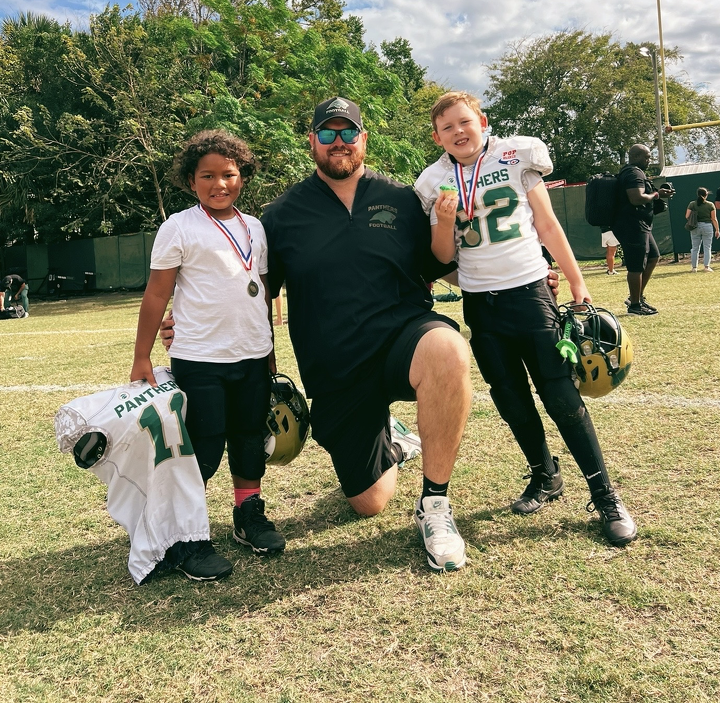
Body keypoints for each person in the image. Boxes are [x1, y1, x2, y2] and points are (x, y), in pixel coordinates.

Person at [256, 96, 475, 573]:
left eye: (348, 132)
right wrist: (184, 323)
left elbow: (442, 264)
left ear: (363, 140)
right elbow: (252, 296)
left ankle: (435, 506)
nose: (339, 142)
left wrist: (526, 274)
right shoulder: (281, 215)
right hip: (335, 366)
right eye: (328, 133)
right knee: (369, 501)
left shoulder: (399, 198)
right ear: (312, 141)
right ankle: (394, 442)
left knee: (449, 351)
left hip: (403, 336)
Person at [415, 91, 637, 547]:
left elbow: (548, 224)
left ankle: (605, 494)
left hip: (531, 292)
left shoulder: (515, 155)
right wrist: (442, 222)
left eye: (464, 122)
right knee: (510, 397)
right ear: (437, 136)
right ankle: (545, 474)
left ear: (482, 121)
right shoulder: (433, 180)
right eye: (447, 127)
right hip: (480, 302)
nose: (458, 132)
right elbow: (440, 259)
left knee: (559, 395)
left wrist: (577, 282)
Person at [131, 129, 284, 582]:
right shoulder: (179, 226)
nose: (220, 184)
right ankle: (187, 535)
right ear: (190, 180)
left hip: (253, 356)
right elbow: (157, 294)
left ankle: (247, 513)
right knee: (205, 447)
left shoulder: (254, 227)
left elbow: (262, 294)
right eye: (208, 176)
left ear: (243, 176)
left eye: (229, 174)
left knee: (249, 438)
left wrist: (270, 353)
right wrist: (142, 356)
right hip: (200, 359)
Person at [611, 144, 674, 316]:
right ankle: (635, 306)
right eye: (647, 157)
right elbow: (636, 198)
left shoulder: (634, 172)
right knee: (636, 265)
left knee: (653, 256)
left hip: (640, 224)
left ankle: (635, 297)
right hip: (632, 225)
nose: (649, 160)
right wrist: (657, 194)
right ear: (637, 157)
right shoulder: (633, 173)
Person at [685, 187, 720, 272]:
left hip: (695, 226)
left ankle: (694, 267)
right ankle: (706, 267)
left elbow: (687, 216)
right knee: (707, 247)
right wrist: (717, 230)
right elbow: (714, 219)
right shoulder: (710, 205)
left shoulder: (692, 204)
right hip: (707, 226)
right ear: (706, 194)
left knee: (695, 248)